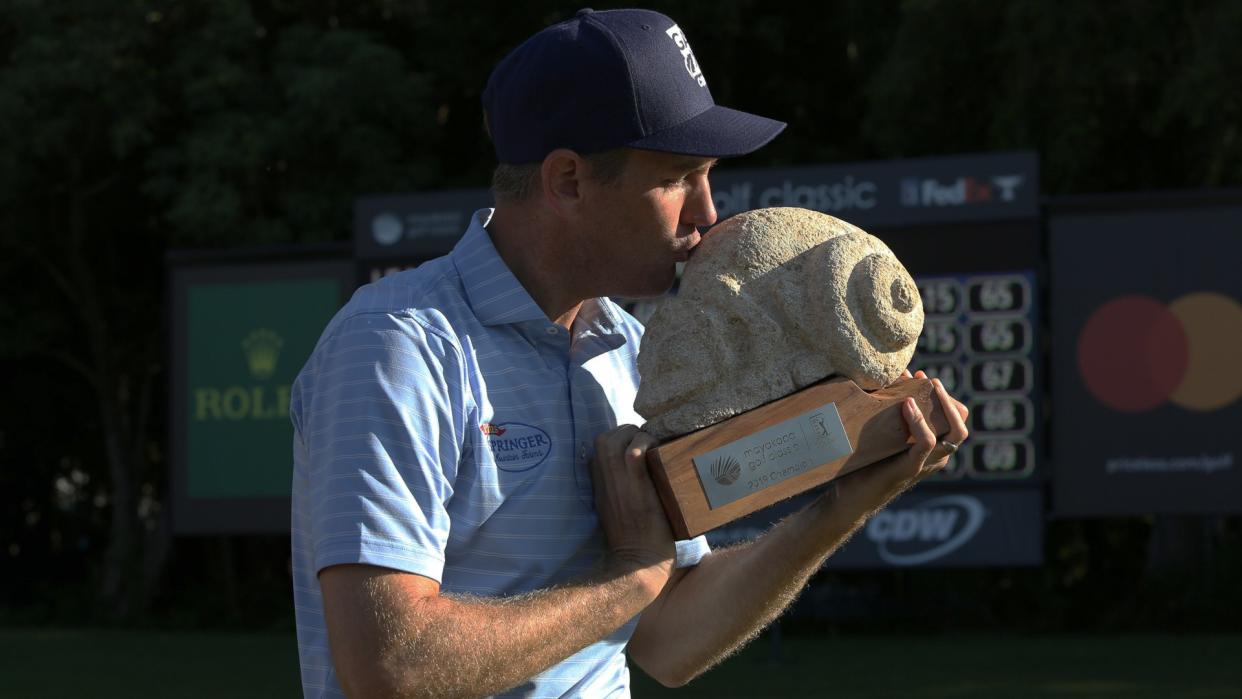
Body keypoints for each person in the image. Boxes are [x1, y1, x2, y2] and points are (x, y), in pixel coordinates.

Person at [290, 8, 969, 698]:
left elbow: (670, 640)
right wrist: (628, 581)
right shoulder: (397, 346)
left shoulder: (625, 350)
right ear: (568, 182)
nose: (706, 213)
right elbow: (389, 666)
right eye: (679, 176)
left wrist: (847, 498)